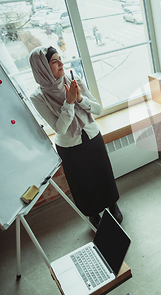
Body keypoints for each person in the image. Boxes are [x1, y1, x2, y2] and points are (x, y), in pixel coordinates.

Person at [29, 46, 122, 228]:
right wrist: (69, 103)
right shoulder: (38, 97)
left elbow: (97, 109)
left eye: (60, 58)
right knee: (82, 183)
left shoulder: (73, 79)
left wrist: (80, 99)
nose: (61, 64)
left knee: (103, 173)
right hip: (69, 146)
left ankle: (112, 204)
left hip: (92, 135)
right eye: (54, 61)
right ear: (42, 68)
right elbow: (60, 128)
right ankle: (93, 213)